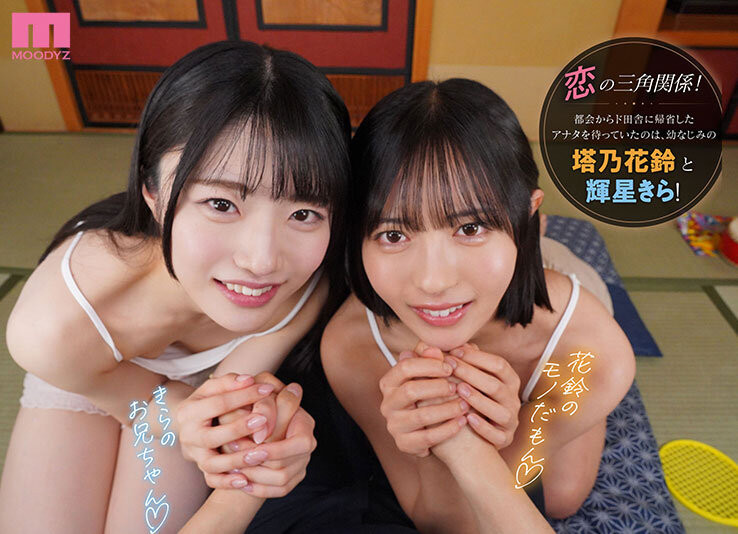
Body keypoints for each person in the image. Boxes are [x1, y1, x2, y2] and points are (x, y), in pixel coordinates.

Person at [0, 40, 351, 534]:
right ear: (152, 190)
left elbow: (214, 411)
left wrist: (251, 440)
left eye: (304, 212)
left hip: (182, 401)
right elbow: (139, 404)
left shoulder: (306, 286)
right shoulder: (54, 325)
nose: (262, 261)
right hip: (90, 374)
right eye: (221, 204)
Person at [319, 79, 636, 533]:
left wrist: (493, 440)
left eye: (470, 228)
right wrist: (436, 447)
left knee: (563, 495)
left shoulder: (594, 350)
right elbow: (444, 520)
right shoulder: (351, 347)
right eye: (393, 234)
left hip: (551, 289)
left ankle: (539, 245)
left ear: (526, 214)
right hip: (499, 276)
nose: (434, 282)